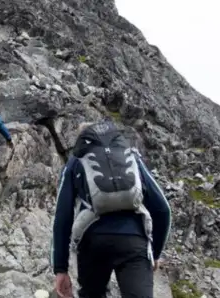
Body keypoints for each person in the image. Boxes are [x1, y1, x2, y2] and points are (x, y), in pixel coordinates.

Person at [50, 119, 171, 298]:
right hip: (134, 240)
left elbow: (63, 217)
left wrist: (60, 268)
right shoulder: (131, 156)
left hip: (92, 242)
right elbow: (162, 209)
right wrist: (155, 253)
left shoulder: (76, 161)